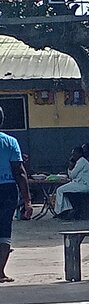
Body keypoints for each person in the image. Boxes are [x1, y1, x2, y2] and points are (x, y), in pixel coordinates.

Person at [0, 106, 32, 284]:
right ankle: (0, 272)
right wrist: (27, 201)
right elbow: (19, 172)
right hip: (7, 190)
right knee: (4, 230)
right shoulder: (10, 142)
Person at [54, 145, 89, 217]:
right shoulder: (80, 161)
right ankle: (66, 209)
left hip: (84, 185)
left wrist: (70, 167)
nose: (73, 156)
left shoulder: (81, 161)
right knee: (63, 191)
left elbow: (72, 175)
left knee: (59, 190)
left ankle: (59, 211)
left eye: (74, 154)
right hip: (80, 183)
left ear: (79, 153)